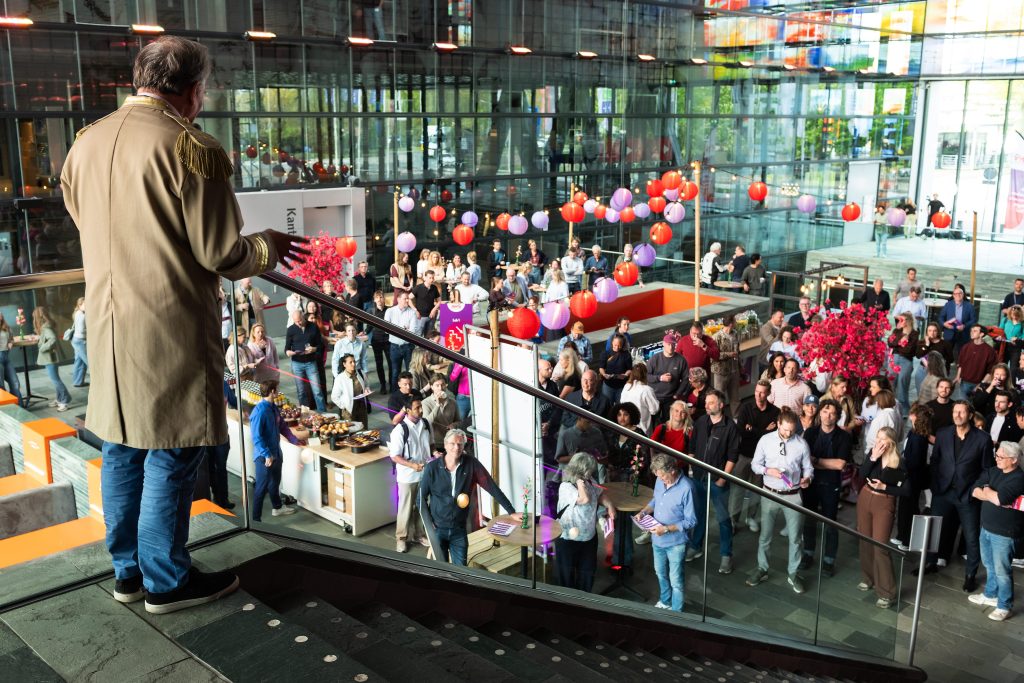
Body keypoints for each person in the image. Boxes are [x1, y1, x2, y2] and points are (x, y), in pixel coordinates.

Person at [61, 36, 309, 613]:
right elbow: (221, 252)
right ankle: (167, 581)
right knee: (172, 449)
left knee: (122, 446)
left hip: (107, 321)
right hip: (168, 323)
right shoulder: (192, 147)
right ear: (195, 90)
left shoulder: (87, 140)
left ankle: (128, 573)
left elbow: (82, 216)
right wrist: (268, 246)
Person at [921, 401, 994, 590]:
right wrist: (936, 484)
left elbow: (987, 470)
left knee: (971, 536)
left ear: (970, 415)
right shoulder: (943, 433)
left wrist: (974, 490)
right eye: (955, 411)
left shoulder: (983, 439)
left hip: (967, 495)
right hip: (943, 492)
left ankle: (970, 575)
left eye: (962, 412)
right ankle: (930, 563)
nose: (957, 415)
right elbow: (935, 460)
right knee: (934, 529)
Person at [420, 428, 519, 565]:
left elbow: (492, 487)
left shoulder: (471, 464)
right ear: (445, 445)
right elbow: (420, 499)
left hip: (459, 530)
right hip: (437, 529)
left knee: (461, 571)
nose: (456, 447)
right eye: (452, 444)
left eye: (460, 444)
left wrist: (511, 511)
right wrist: (429, 526)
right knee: (441, 570)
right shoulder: (432, 468)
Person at [748, 410, 813, 593]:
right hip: (769, 493)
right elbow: (755, 464)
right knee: (765, 536)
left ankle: (793, 573)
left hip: (793, 494)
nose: (788, 434)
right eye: (785, 430)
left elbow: (808, 468)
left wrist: (807, 479)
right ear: (778, 424)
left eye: (792, 430)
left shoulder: (801, 444)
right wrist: (768, 471)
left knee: (795, 538)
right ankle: (762, 568)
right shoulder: (765, 440)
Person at [687, 390, 741, 574]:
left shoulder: (730, 427)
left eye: (711, 402)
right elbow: (692, 446)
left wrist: (722, 480)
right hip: (699, 478)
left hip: (718, 481)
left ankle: (726, 555)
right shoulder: (701, 421)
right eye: (706, 402)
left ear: (721, 405)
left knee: (723, 519)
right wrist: (692, 468)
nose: (706, 405)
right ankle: (696, 546)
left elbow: (733, 456)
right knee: (699, 514)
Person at [635, 453, 697, 612]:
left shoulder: (687, 488)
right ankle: (665, 600)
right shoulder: (660, 480)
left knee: (676, 580)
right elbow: (656, 500)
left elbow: (691, 521)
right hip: (657, 540)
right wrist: (644, 512)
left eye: (663, 476)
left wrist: (667, 529)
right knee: (660, 573)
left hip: (676, 543)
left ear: (672, 471)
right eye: (658, 476)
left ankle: (676, 613)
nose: (661, 480)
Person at [970, 441, 1024, 621]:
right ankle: (991, 594)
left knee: (1002, 571)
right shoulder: (993, 471)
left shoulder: (1019, 478)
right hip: (986, 527)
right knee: (989, 565)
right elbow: (974, 490)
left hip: (1004, 533)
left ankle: (1004, 606)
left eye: (1001, 457)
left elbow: (1000, 499)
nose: (997, 459)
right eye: (997, 455)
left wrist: (987, 490)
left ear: (1014, 460)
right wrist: (990, 493)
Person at [857, 426, 909, 608]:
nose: (878, 442)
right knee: (864, 540)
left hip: (884, 502)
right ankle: (868, 578)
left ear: (891, 442)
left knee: (880, 546)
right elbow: (862, 475)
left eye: (882, 439)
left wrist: (885, 487)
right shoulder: (873, 455)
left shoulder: (899, 462)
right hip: (865, 497)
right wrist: (872, 458)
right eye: (877, 438)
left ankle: (887, 593)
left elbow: (907, 490)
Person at [799, 399, 852, 577]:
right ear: (819, 413)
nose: (828, 416)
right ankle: (808, 554)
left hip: (831, 485)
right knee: (809, 520)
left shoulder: (844, 436)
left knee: (830, 523)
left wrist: (815, 461)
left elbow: (840, 464)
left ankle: (829, 561)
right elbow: (804, 460)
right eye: (824, 411)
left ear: (837, 416)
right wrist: (823, 463)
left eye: (832, 413)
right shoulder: (810, 433)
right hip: (811, 483)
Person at [555, 452, 617, 592]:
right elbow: (584, 499)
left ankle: (584, 599)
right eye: (589, 470)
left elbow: (600, 494)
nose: (591, 473)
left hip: (589, 537)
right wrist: (579, 482)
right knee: (567, 577)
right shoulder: (565, 487)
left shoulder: (589, 480)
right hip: (568, 539)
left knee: (587, 574)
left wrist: (609, 505)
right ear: (580, 470)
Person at [250, 381, 301, 522]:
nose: (278, 391)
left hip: (276, 453)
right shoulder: (260, 411)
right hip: (264, 458)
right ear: (272, 391)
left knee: (275, 483)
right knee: (261, 488)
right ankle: (255, 520)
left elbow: (282, 426)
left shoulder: (273, 408)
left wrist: (294, 440)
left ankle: (277, 508)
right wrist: (267, 454)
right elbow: (256, 437)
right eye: (277, 389)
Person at [733, 380, 778, 531]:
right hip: (744, 455)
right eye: (757, 391)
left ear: (768, 393)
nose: (758, 395)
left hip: (763, 459)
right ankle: (733, 520)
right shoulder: (746, 408)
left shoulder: (775, 412)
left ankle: (750, 517)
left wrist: (752, 429)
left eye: (762, 392)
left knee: (757, 491)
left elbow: (773, 437)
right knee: (737, 490)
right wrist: (764, 431)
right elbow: (740, 431)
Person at [389, 396, 432, 553]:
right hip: (407, 476)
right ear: (407, 410)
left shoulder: (425, 424)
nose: (420, 410)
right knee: (406, 507)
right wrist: (412, 465)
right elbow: (394, 456)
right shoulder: (400, 430)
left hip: (424, 473)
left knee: (422, 506)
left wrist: (435, 453)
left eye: (421, 407)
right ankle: (401, 538)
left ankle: (419, 534)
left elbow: (431, 445)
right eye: (416, 408)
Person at [895, 403, 933, 549]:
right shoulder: (914, 433)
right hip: (909, 476)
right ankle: (901, 535)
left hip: (913, 478)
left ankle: (907, 540)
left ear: (916, 417)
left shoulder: (918, 437)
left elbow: (915, 461)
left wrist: (901, 464)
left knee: (909, 508)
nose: (910, 416)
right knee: (904, 507)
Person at [284, 309, 326, 412]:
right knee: (301, 391)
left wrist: (314, 349)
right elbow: (286, 348)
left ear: (303, 317)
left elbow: (320, 345)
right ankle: (305, 413)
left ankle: (322, 412)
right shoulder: (291, 330)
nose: (298, 323)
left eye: (300, 320)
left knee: (317, 390)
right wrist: (288, 352)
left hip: (311, 362)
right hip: (296, 363)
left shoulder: (313, 327)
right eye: (296, 322)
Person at [33, 306, 71, 412]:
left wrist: (42, 348)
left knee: (55, 380)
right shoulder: (48, 324)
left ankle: (65, 400)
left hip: (49, 357)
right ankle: (59, 399)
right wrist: (40, 338)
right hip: (50, 357)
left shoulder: (46, 327)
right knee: (55, 379)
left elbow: (52, 339)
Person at [648, 331, 688, 420]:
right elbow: (647, 376)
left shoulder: (681, 360)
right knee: (653, 421)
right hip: (655, 397)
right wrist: (660, 378)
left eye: (673, 344)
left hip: (671, 397)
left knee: (669, 421)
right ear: (663, 344)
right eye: (668, 344)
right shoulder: (654, 359)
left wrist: (677, 394)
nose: (671, 347)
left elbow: (686, 379)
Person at [384, 291, 419, 389]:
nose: (407, 300)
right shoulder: (390, 311)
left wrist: (396, 329)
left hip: (408, 347)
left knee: (410, 372)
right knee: (395, 372)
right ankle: (395, 393)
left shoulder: (412, 312)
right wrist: (404, 329)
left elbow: (413, 332)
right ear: (398, 299)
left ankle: (410, 392)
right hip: (395, 347)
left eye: (408, 298)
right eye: (405, 298)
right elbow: (386, 330)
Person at [888, 313, 919, 415]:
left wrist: (897, 345)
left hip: (906, 360)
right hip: (894, 359)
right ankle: (890, 407)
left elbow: (909, 350)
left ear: (908, 321)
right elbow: (890, 343)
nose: (900, 321)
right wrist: (900, 342)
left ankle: (904, 410)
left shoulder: (914, 333)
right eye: (900, 319)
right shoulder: (897, 331)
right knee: (891, 383)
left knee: (903, 384)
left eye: (903, 319)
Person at [956, 324, 997, 399]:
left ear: (981, 334)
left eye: (975, 331)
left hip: (978, 384)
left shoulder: (989, 351)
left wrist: (982, 383)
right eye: (971, 331)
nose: (971, 333)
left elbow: (990, 370)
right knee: (963, 404)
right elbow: (961, 363)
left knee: (975, 405)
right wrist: (958, 376)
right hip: (964, 382)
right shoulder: (965, 347)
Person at [619, 362, 660, 434]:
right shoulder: (646, 390)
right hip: (641, 429)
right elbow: (654, 410)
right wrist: (658, 402)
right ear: (645, 375)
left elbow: (621, 402)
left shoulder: (626, 386)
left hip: (626, 426)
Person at [914, 321, 954, 393]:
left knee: (935, 393)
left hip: (938, 371)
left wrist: (940, 361)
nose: (932, 333)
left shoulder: (945, 344)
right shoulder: (922, 342)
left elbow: (951, 359)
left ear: (938, 332)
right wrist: (926, 345)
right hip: (923, 370)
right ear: (927, 332)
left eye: (934, 331)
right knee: (920, 392)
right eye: (929, 331)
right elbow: (918, 355)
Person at [422, 375, 459, 451]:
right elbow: (427, 422)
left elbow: (459, 421)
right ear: (431, 387)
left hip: (450, 441)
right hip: (435, 444)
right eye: (437, 385)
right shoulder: (425, 403)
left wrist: (454, 425)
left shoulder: (453, 402)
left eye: (442, 384)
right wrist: (437, 405)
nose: (440, 388)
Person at [331, 352, 369, 425]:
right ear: (344, 364)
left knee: (363, 428)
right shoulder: (340, 378)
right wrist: (344, 406)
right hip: (349, 411)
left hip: (362, 408)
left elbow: (367, 384)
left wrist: (367, 389)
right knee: (351, 429)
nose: (353, 364)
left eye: (354, 361)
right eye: (350, 362)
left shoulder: (361, 373)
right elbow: (334, 397)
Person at [939, 284, 976, 352]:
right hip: (949, 332)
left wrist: (964, 326)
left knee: (962, 354)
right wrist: (944, 324)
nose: (958, 295)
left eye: (960, 293)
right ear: (953, 295)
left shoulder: (969, 306)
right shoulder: (948, 304)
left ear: (963, 294)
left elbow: (973, 320)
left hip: (964, 333)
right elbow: (941, 317)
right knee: (946, 353)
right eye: (956, 294)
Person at [367, 290, 391, 393]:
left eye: (381, 297)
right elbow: (369, 327)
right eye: (377, 298)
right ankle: (382, 384)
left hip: (388, 340)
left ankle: (392, 383)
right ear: (374, 300)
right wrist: (363, 332)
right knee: (379, 364)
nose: (379, 299)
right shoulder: (371, 311)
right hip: (376, 341)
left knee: (391, 363)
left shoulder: (389, 310)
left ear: (384, 299)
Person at [600, 334, 632, 404]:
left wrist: (626, 375)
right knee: (607, 405)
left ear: (622, 345)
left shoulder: (626, 355)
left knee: (620, 405)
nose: (617, 347)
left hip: (621, 385)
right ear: (612, 343)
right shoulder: (605, 353)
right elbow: (601, 368)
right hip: (608, 384)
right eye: (615, 345)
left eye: (619, 346)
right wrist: (604, 374)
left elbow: (629, 369)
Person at [0, 313, 23, 406]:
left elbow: (11, 339)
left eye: (1, 315)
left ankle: (20, 408)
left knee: (15, 383)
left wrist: (10, 343)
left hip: (6, 357)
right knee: (1, 386)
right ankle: (6, 409)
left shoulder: (6, 327)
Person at [411, 270, 442, 336]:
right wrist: (415, 310)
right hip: (420, 316)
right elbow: (408, 299)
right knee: (418, 336)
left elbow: (439, 301)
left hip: (431, 316)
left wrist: (434, 310)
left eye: (433, 278)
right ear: (425, 278)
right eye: (430, 278)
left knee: (429, 336)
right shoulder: (418, 287)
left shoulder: (434, 288)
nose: (432, 279)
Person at [70, 297, 89, 387]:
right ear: (80, 305)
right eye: (85, 304)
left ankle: (77, 382)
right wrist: (90, 330)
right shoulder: (82, 315)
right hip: (81, 341)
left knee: (79, 361)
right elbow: (81, 330)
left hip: (76, 340)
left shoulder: (77, 313)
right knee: (89, 361)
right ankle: (100, 381)